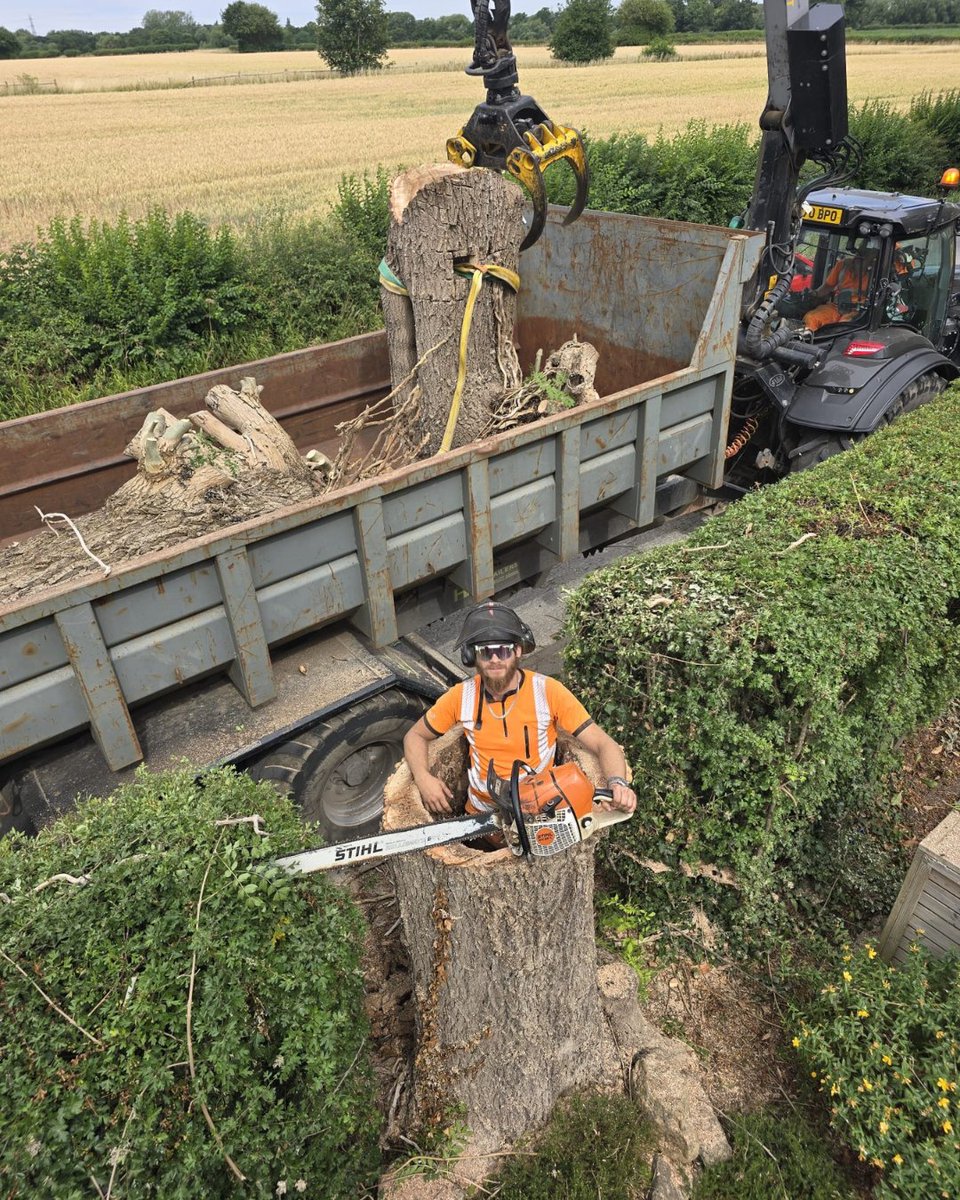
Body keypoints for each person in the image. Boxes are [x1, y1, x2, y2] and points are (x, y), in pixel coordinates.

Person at [403, 602, 637, 823]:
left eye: (503, 651)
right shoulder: (461, 696)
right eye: (485, 652)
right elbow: (415, 735)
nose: (495, 660)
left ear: (517, 651)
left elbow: (603, 743)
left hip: (536, 805)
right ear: (472, 657)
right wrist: (423, 778)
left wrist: (618, 783)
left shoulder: (547, 692)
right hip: (482, 809)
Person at [803, 244, 879, 332]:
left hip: (858, 311)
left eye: (866, 256)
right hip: (837, 307)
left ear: (872, 260)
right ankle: (805, 342)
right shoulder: (843, 265)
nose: (859, 258)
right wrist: (814, 293)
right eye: (859, 254)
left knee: (842, 327)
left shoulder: (876, 274)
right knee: (811, 318)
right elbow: (827, 287)